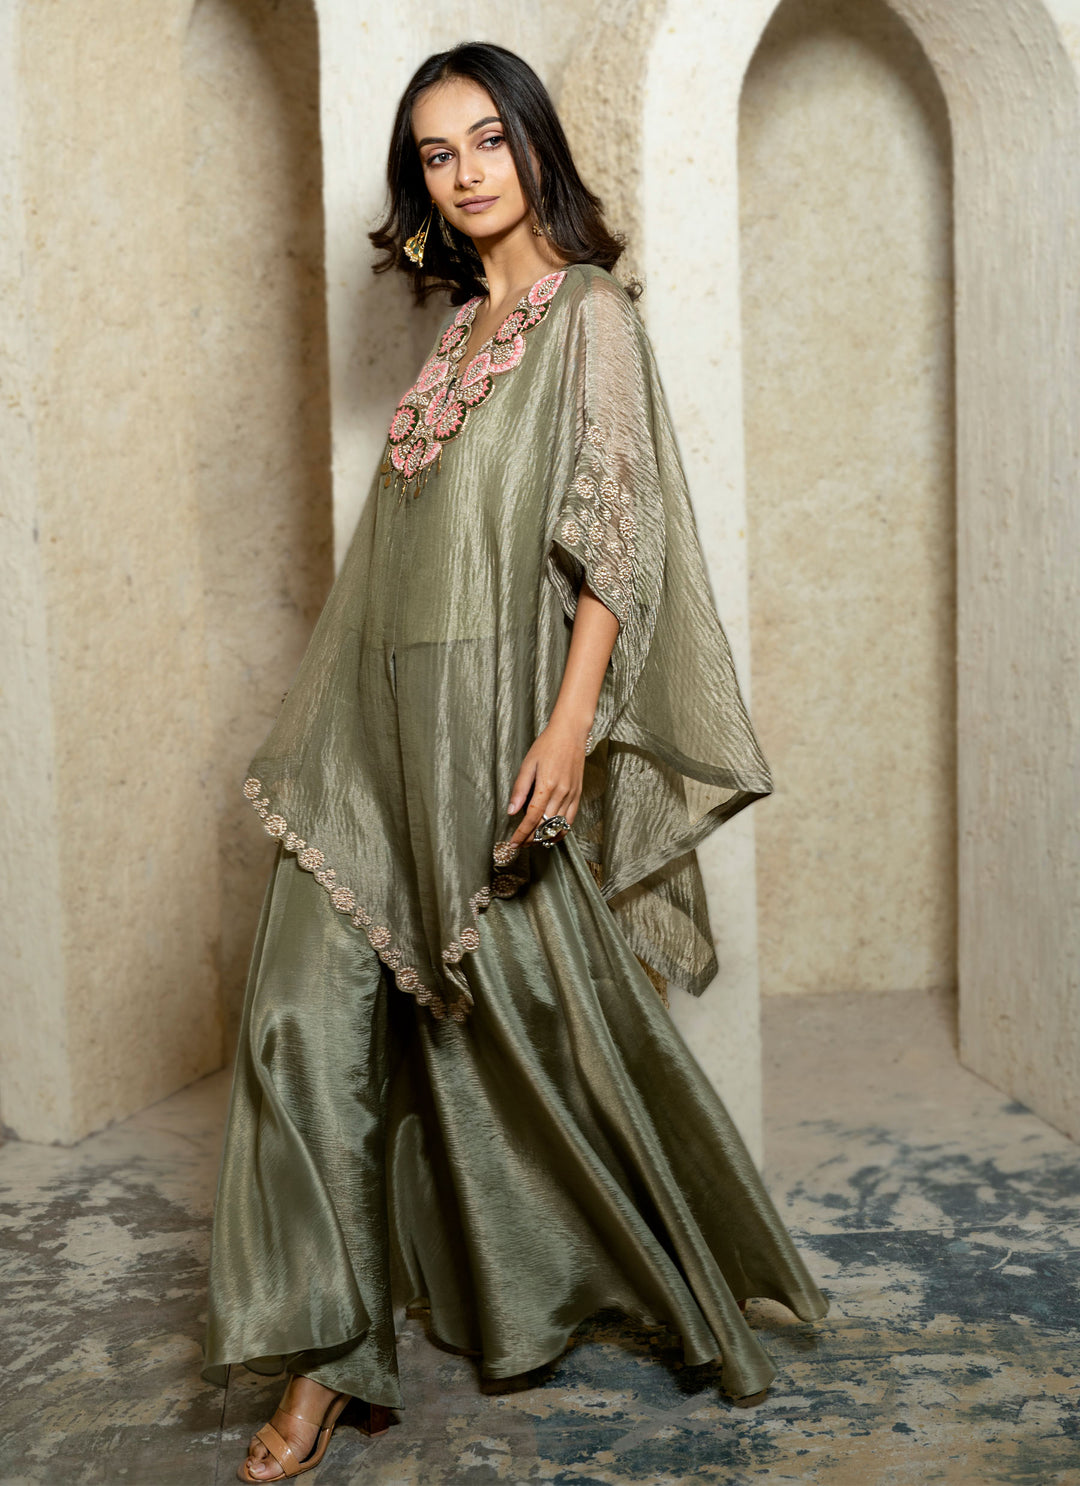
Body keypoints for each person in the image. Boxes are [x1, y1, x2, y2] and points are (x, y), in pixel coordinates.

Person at [201, 41, 829, 1483]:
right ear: (417, 185)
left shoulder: (587, 316)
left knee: (542, 1040)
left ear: (535, 147)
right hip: (369, 739)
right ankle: (322, 1355)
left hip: (495, 731)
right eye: (438, 153)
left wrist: (566, 722)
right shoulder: (454, 338)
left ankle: (660, 1268)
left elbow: (618, 536)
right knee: (301, 1017)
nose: (469, 171)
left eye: (490, 139)